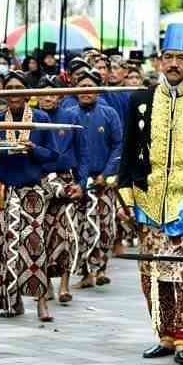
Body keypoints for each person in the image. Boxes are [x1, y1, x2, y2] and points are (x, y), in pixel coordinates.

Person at [117, 24, 183, 365]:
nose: (174, 63)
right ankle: (163, 335)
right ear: (159, 61)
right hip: (148, 199)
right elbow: (128, 149)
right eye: (168, 57)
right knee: (153, 273)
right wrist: (125, 196)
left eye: (180, 57)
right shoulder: (140, 100)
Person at [0, 71, 58, 321]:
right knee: (2, 246)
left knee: (35, 246)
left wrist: (32, 148)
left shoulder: (41, 118)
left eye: (18, 87)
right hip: (4, 191)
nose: (13, 92)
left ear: (27, 92)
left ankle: (41, 302)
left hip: (32, 191)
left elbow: (52, 156)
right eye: (9, 87)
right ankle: (11, 302)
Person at [73, 67, 123, 288]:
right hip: (78, 183)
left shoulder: (109, 113)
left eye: (90, 87)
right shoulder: (70, 115)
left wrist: (107, 173)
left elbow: (118, 145)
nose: (86, 91)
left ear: (98, 90)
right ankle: (85, 273)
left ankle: (101, 269)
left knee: (105, 226)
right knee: (80, 227)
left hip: (103, 180)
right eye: (82, 87)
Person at [37, 81, 84, 304]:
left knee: (67, 233)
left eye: (53, 95)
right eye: (44, 95)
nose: (49, 99)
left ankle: (64, 285)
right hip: (39, 181)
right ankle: (44, 285)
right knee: (42, 234)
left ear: (59, 97)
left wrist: (81, 182)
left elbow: (82, 152)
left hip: (66, 179)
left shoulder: (70, 117)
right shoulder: (33, 118)